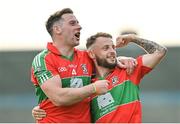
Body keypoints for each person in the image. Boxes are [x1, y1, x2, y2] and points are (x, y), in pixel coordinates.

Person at [32, 32, 167, 123]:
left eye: (113, 47)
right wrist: (40, 109)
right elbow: (64, 100)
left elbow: (160, 52)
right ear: (91, 54)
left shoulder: (128, 71)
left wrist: (132, 38)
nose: (112, 51)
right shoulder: (86, 85)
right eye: (106, 48)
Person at [31, 8, 136, 123]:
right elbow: (59, 98)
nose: (79, 27)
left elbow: (105, 60)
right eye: (72, 23)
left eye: (78, 23)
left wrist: (121, 59)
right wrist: (94, 88)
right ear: (57, 29)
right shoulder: (43, 60)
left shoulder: (86, 57)